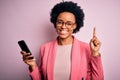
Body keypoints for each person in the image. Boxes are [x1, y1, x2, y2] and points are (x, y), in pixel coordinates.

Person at [21, 1, 104, 80]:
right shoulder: (45, 48)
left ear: (75, 25)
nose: (63, 27)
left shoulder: (86, 48)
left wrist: (95, 53)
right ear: (55, 23)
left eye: (69, 23)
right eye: (60, 22)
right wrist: (33, 66)